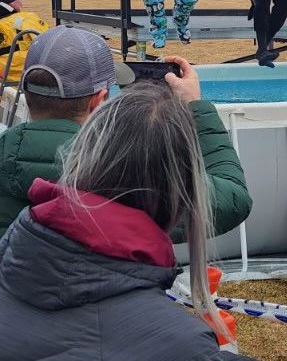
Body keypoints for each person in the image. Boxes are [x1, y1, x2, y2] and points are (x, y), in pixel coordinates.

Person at [0, 83, 287, 361]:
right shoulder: (176, 346)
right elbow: (234, 195)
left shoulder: (16, 256)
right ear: (182, 194)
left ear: (80, 157)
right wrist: (197, 107)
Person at [0, 25, 252, 239]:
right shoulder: (131, 171)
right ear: (98, 100)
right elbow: (233, 200)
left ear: (26, 92)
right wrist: (194, 107)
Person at [0, 0, 48, 84]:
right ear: (10, 2)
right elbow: (48, 42)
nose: (21, 4)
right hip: (22, 78)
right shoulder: (26, 19)